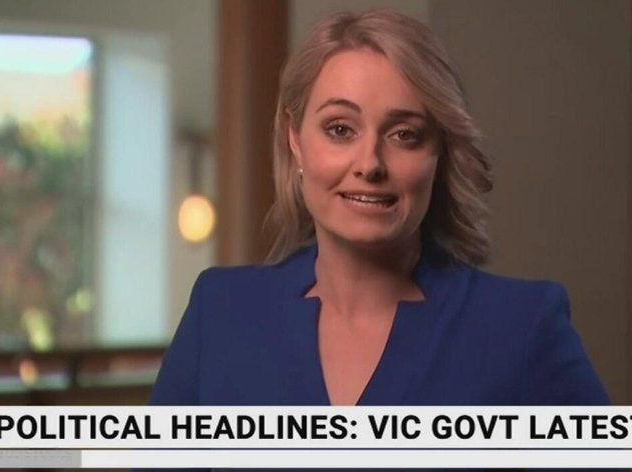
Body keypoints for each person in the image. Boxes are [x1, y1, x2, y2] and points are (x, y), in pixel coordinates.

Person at [149, 5, 608, 456]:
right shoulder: (220, 314)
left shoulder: (521, 327)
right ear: (295, 138)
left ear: (439, 152)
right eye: (340, 129)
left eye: (404, 134)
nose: (369, 164)